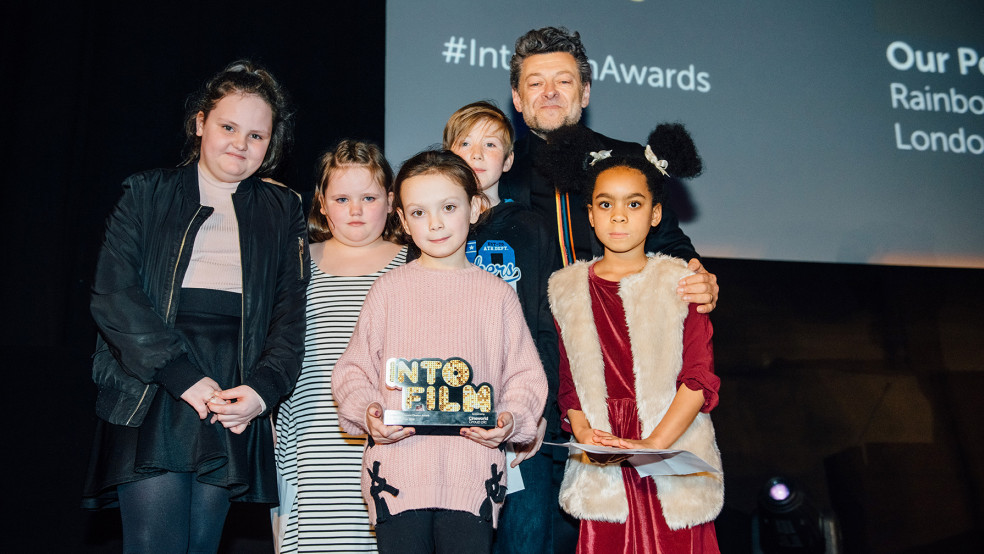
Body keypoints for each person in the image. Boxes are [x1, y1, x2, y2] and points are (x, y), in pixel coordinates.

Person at [82, 61, 308, 553]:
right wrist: (180, 375)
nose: (240, 144)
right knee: (154, 544)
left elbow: (291, 316)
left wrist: (263, 390)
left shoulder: (284, 209)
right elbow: (112, 295)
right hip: (155, 382)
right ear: (200, 122)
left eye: (257, 136)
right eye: (228, 127)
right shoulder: (145, 192)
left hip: (234, 387)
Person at [331, 149, 548, 554]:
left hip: (472, 475)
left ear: (475, 207)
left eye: (448, 207)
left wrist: (510, 419)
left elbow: (525, 377)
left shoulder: (497, 295)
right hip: (397, 475)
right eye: (418, 212)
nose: (434, 223)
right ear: (403, 221)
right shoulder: (388, 290)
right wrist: (368, 412)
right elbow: (353, 371)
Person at [551, 124, 723, 553]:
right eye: (606, 204)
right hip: (604, 460)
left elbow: (698, 379)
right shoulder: (565, 288)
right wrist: (587, 435)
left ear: (656, 213)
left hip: (670, 449)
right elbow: (569, 384)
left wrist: (651, 446)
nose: (620, 215)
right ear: (590, 214)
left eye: (634, 203)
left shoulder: (681, 280)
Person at [500, 26, 719, 313]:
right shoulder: (498, 173)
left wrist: (698, 279)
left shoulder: (631, 160)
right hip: (530, 339)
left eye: (564, 81)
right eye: (535, 83)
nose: (550, 92)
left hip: (619, 331)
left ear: (586, 92)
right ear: (517, 98)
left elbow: (670, 243)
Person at [273, 140, 406, 553]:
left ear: (389, 202)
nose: (355, 209)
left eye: (368, 198)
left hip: (387, 432)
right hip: (310, 433)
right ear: (322, 203)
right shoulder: (296, 261)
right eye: (342, 198)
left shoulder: (412, 262)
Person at [443, 101, 559, 554]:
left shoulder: (530, 227)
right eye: (465, 142)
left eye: (490, 143)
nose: (477, 152)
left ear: (508, 160)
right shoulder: (432, 228)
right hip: (449, 410)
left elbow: (545, 322)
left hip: (517, 407)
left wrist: (538, 408)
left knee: (524, 538)